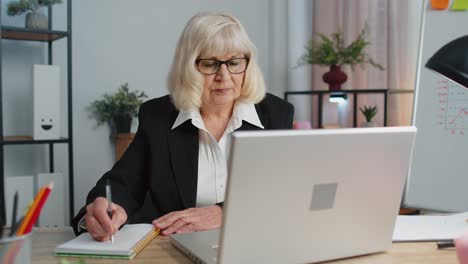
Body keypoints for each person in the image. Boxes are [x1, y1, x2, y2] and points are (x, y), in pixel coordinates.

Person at [72, 12, 294, 241]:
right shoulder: (158, 116)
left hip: (254, 244)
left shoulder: (276, 115)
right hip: (175, 249)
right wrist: (105, 205)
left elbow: (284, 192)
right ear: (188, 67)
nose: (224, 76)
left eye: (235, 62)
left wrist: (224, 212)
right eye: (210, 64)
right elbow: (125, 182)